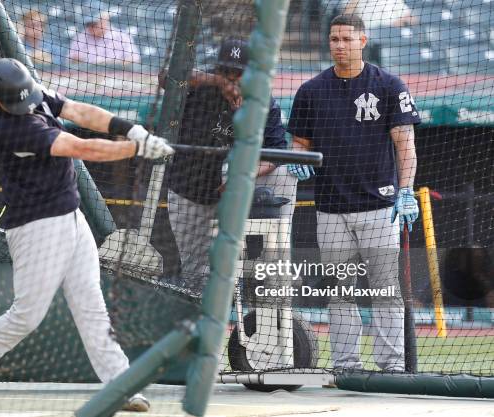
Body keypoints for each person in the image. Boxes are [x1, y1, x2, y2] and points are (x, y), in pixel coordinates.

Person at [0, 58, 174, 411]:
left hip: (71, 217)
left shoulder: (29, 93)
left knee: (92, 307)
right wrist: (135, 149)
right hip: (36, 228)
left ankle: (122, 384)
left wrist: (130, 129)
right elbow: (81, 147)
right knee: (26, 317)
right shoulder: (14, 127)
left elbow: (79, 110)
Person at [287, 14, 420, 372]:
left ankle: (392, 367)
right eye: (334, 39)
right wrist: (297, 160)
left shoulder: (389, 85)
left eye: (347, 39)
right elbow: (298, 143)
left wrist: (405, 191)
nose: (339, 45)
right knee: (339, 291)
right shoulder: (311, 90)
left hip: (380, 206)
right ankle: (346, 365)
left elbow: (405, 145)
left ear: (363, 41)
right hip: (329, 207)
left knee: (384, 289)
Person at [164, 39, 287, 292]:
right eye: (224, 72)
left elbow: (276, 153)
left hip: (231, 198)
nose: (231, 79)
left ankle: (241, 323)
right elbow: (166, 77)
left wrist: (244, 176)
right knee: (195, 272)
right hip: (188, 191)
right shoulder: (199, 87)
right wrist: (219, 82)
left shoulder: (263, 102)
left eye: (237, 73)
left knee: (236, 269)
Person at [69, 8, 140, 66]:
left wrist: (111, 63)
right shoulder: (81, 37)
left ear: (104, 20)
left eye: (94, 24)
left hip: (115, 76)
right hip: (86, 77)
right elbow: (69, 60)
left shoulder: (121, 36)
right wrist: (76, 59)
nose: (90, 27)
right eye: (88, 24)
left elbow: (135, 58)